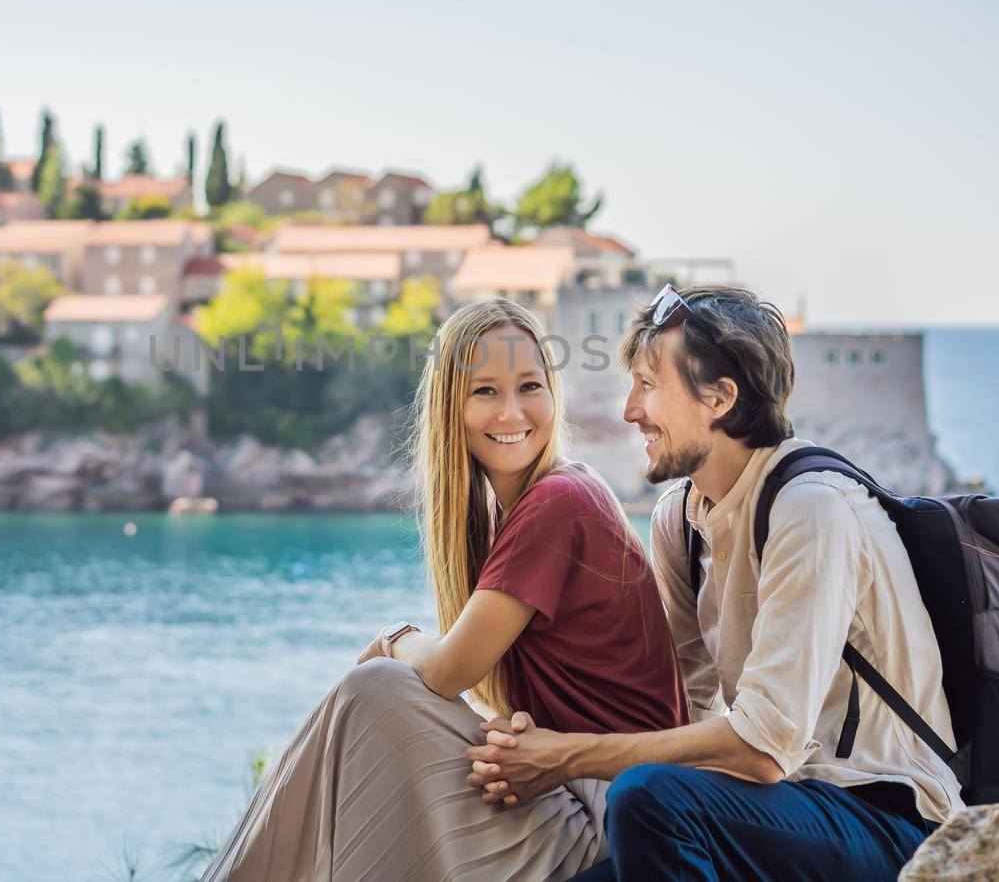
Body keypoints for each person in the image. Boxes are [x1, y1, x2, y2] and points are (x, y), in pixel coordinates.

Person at [466, 285, 962, 882]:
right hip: (777, 813)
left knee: (649, 797)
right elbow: (674, 711)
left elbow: (762, 747)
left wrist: (565, 756)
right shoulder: (682, 516)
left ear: (720, 398)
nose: (629, 410)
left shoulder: (812, 509)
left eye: (648, 386)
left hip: (889, 821)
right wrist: (522, 740)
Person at [201, 298, 689, 881]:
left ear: (553, 395)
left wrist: (394, 637)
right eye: (485, 391)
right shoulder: (523, 509)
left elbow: (449, 671)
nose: (512, 411)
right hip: (568, 789)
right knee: (373, 709)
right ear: (450, 407)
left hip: (612, 813)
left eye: (529, 385)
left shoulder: (561, 500)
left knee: (377, 687)